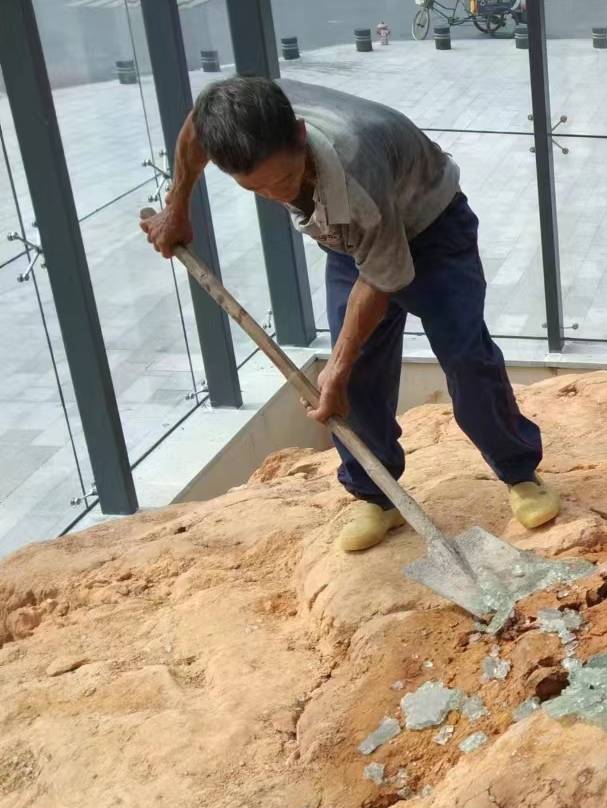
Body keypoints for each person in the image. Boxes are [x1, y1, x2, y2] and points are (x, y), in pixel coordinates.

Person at [140, 77, 562, 553]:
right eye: (257, 188)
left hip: (431, 229)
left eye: (284, 178)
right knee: (358, 376)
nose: (278, 193)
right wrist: (177, 206)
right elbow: (195, 129)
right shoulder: (234, 120)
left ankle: (520, 472)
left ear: (300, 134)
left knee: (465, 356)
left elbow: (380, 278)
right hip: (352, 241)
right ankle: (376, 496)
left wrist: (336, 368)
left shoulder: (356, 162)